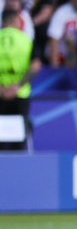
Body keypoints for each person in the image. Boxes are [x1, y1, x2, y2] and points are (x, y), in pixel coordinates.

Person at [0, 10, 36, 151]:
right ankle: (19, 169)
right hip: (20, 94)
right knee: (19, 139)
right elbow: (35, 65)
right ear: (16, 22)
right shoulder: (26, 40)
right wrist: (18, 86)